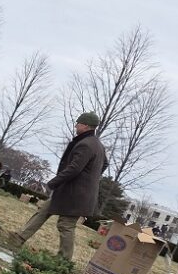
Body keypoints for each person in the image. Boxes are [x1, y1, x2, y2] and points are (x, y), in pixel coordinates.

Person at [8, 111, 107, 260]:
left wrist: (53, 182)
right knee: (43, 211)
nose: (76, 126)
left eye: (78, 123)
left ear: (85, 125)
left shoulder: (86, 144)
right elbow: (104, 164)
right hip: (70, 192)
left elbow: (74, 168)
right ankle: (19, 238)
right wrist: (90, 177)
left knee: (66, 225)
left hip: (75, 195)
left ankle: (63, 260)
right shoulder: (97, 145)